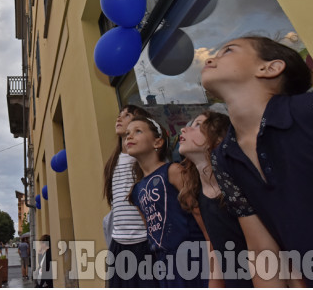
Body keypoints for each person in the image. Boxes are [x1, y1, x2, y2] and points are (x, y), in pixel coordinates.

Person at [202, 36, 313, 287]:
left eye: (228, 50)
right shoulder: (224, 157)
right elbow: (261, 252)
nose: (210, 58)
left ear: (270, 68)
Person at [126, 117, 207, 287]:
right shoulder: (136, 190)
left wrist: (213, 252)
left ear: (158, 142)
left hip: (193, 257)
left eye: (138, 131)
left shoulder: (173, 171)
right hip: (166, 266)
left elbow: (200, 214)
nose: (129, 136)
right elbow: (151, 231)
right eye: (127, 133)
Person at [177, 111, 252, 287]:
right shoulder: (195, 196)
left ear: (219, 138)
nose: (184, 130)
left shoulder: (239, 185)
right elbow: (213, 246)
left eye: (197, 125)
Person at [102, 105, 156, 287]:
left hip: (143, 241)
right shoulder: (114, 161)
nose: (119, 118)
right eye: (119, 115)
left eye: (127, 115)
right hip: (119, 243)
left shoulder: (140, 158)